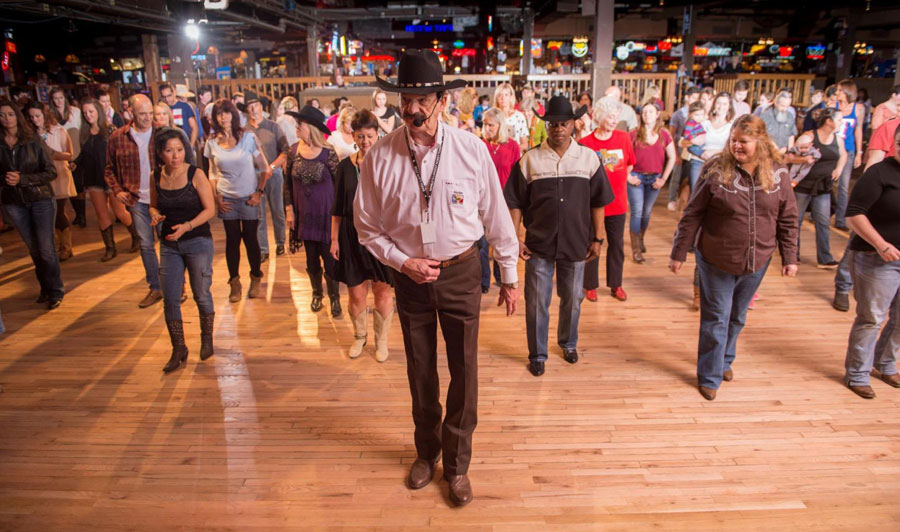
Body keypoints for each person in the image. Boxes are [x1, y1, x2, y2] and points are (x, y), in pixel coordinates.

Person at [354, 49, 520, 507]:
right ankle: (427, 452)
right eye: (407, 97)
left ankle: (458, 464)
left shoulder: (470, 149)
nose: (413, 108)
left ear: (442, 101)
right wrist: (401, 261)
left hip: (463, 271)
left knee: (465, 370)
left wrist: (509, 274)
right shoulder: (381, 158)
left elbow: (496, 215)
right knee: (420, 369)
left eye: (423, 98)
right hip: (410, 279)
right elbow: (366, 226)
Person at [670, 114, 798, 400]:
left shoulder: (778, 173)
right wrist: (680, 251)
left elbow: (788, 217)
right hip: (716, 257)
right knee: (716, 316)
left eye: (744, 141)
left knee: (737, 316)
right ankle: (710, 375)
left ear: (760, 141)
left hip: (757, 259)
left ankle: (724, 360)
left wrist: (789, 256)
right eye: (733, 140)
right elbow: (693, 213)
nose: (736, 146)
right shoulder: (716, 169)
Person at [505, 95, 613, 377]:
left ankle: (568, 343)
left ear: (573, 124)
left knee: (573, 298)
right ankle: (538, 353)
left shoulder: (589, 158)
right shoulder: (529, 160)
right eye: (553, 124)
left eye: (563, 123)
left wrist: (598, 239)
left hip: (577, 243)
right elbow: (514, 201)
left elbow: (598, 201)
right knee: (537, 301)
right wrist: (516, 236)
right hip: (539, 244)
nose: (558, 129)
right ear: (546, 126)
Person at [148, 129, 216, 374]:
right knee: (171, 298)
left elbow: (210, 210)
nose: (175, 155)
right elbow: (154, 205)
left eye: (179, 149)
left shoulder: (195, 174)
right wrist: (155, 215)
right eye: (169, 150)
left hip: (197, 241)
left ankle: (206, 338)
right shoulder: (156, 175)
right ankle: (179, 348)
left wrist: (186, 227)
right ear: (160, 153)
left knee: (201, 294)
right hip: (169, 245)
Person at [330, 110, 394, 361]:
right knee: (356, 293)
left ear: (377, 134)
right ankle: (359, 337)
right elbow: (337, 207)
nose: (366, 141)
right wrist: (334, 239)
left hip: (381, 236)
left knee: (383, 292)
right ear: (353, 135)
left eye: (370, 135)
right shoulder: (345, 166)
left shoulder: (388, 163)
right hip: (350, 235)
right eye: (360, 136)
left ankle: (382, 341)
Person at [841, 126, 900, 399]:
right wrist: (881, 244)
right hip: (877, 258)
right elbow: (854, 215)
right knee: (872, 318)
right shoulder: (878, 173)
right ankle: (857, 374)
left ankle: (886, 364)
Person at [0, 99, 64, 309]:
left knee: (46, 248)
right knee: (34, 249)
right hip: (14, 202)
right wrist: (7, 180)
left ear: (17, 116)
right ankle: (45, 288)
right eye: (1, 115)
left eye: (10, 114)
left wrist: (23, 179)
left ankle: (55, 290)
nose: (6, 119)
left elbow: (51, 172)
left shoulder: (33, 140)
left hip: (40, 199)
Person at [205, 98, 270, 302]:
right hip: (227, 199)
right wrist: (216, 196)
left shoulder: (247, 138)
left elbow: (265, 167)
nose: (223, 117)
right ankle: (234, 283)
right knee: (232, 241)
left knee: (251, 240)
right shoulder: (211, 142)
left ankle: (256, 277)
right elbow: (212, 171)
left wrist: (259, 192)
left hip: (248, 197)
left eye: (227, 112)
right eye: (219, 113)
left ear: (234, 114)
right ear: (214, 118)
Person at [105, 94, 166, 307]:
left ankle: (177, 284)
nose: (148, 118)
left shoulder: (162, 133)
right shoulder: (118, 137)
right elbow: (109, 169)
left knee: (169, 243)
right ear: (130, 113)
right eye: (142, 114)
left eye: (150, 113)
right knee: (146, 245)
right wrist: (117, 190)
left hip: (163, 197)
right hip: (137, 199)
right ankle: (156, 287)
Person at [284, 104, 342, 317]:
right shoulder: (293, 150)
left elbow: (339, 185)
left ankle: (334, 296)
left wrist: (340, 217)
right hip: (304, 216)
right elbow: (286, 183)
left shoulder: (328, 153)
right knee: (310, 259)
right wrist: (289, 210)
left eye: (301, 124)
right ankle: (317, 293)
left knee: (330, 260)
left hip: (326, 217)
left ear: (312, 128)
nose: (297, 127)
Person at [579, 96, 635, 302]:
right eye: (610, 116)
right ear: (599, 116)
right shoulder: (585, 143)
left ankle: (616, 284)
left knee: (617, 245)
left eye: (616, 117)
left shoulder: (624, 138)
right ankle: (590, 284)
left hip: (617, 203)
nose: (613, 120)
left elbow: (629, 164)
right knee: (591, 243)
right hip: (592, 205)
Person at [76, 98, 132, 262]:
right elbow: (85, 155)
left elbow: (120, 154)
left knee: (120, 212)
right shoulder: (84, 133)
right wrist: (75, 163)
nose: (88, 115)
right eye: (85, 112)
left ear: (98, 112)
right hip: (93, 178)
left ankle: (136, 237)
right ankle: (110, 248)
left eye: (91, 111)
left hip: (111, 177)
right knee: (101, 214)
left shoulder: (110, 130)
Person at [792, 109, 846, 269]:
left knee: (823, 221)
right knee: (796, 220)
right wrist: (804, 158)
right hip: (803, 185)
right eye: (839, 120)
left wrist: (839, 169)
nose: (841, 123)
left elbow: (843, 155)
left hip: (823, 186)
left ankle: (825, 258)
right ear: (829, 121)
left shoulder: (838, 139)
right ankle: (793, 255)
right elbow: (791, 156)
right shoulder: (809, 136)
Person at [25, 101, 76, 262]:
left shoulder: (58, 131)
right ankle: (52, 247)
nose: (35, 119)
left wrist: (51, 154)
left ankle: (66, 247)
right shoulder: (28, 135)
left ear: (45, 115)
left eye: (38, 116)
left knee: (59, 212)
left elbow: (70, 154)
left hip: (59, 175)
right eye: (31, 116)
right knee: (46, 214)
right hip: (39, 178)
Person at [479, 107, 521, 290]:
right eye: (485, 124)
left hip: (504, 200)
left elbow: (516, 176)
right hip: (481, 199)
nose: (487, 128)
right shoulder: (480, 144)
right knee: (481, 243)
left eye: (491, 125)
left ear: (500, 126)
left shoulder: (512, 146)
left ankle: (500, 275)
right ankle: (483, 281)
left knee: (501, 240)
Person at [628, 100, 675, 263]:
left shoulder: (664, 134)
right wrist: (628, 176)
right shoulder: (633, 134)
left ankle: (641, 238)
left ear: (657, 115)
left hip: (654, 178)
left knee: (646, 212)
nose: (647, 114)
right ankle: (635, 249)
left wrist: (663, 179)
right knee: (637, 211)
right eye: (644, 111)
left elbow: (672, 157)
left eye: (651, 112)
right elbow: (625, 157)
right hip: (636, 177)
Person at [245, 96, 289, 262]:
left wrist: (271, 168)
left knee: (277, 209)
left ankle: (280, 242)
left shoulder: (273, 126)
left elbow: (285, 150)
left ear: (261, 107)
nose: (253, 109)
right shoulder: (244, 130)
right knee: (259, 213)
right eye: (250, 107)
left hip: (274, 172)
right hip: (253, 174)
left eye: (255, 105)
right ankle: (263, 249)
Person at [49, 87, 85, 226]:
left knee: (78, 184)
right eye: (55, 98)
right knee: (64, 187)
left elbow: (81, 134)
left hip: (77, 153)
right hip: (60, 155)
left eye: (61, 97)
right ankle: (71, 214)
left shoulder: (75, 112)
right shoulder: (50, 115)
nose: (58, 101)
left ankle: (81, 215)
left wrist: (77, 158)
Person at [834, 79, 866, 231]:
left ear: (847, 91)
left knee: (844, 186)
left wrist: (859, 152)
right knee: (826, 181)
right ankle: (819, 212)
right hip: (832, 149)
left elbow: (858, 130)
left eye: (840, 90)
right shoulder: (832, 105)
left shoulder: (858, 108)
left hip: (848, 149)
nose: (837, 92)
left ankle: (840, 219)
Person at [667, 87, 701, 211]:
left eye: (697, 98)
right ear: (687, 97)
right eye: (693, 97)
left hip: (693, 150)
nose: (695, 100)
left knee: (688, 178)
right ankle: (672, 199)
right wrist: (675, 153)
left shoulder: (701, 114)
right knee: (676, 175)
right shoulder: (678, 114)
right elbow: (672, 135)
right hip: (680, 148)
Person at [159, 83, 198, 149]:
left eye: (169, 96)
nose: (167, 99)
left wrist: (191, 145)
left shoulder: (185, 106)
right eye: (164, 97)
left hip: (185, 144)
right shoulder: (162, 108)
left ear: (174, 93)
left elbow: (194, 127)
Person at [492, 82, 529, 151]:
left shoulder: (519, 116)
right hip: (498, 154)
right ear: (496, 98)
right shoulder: (492, 116)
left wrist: (513, 151)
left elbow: (525, 144)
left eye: (506, 95)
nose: (503, 98)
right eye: (500, 95)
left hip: (515, 157)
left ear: (511, 97)